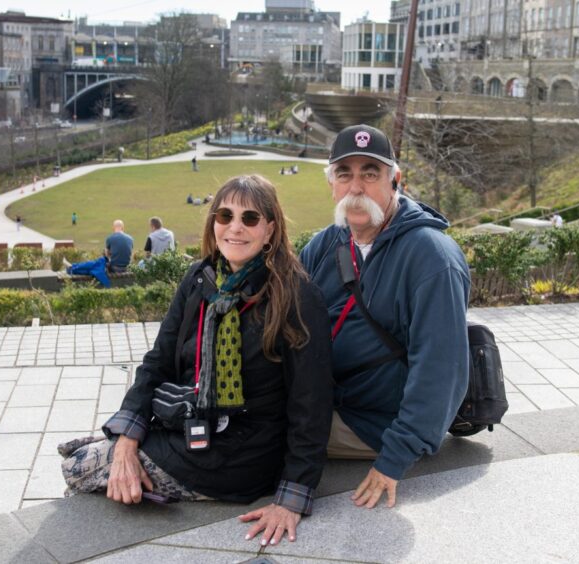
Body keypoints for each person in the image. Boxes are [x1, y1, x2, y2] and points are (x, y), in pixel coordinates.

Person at [59, 175, 333, 546]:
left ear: (270, 229)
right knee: (91, 450)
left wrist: (292, 499)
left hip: (242, 455)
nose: (235, 227)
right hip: (190, 425)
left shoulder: (296, 295)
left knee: (76, 467)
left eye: (250, 218)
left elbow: (312, 403)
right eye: (225, 215)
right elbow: (157, 361)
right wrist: (127, 438)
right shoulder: (199, 279)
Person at [299, 124, 471, 510]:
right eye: (344, 174)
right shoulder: (327, 243)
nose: (356, 188)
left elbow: (441, 369)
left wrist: (394, 459)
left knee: (254, 431)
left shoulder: (432, 257)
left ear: (395, 179)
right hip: (326, 398)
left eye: (370, 173)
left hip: (375, 422)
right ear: (331, 183)